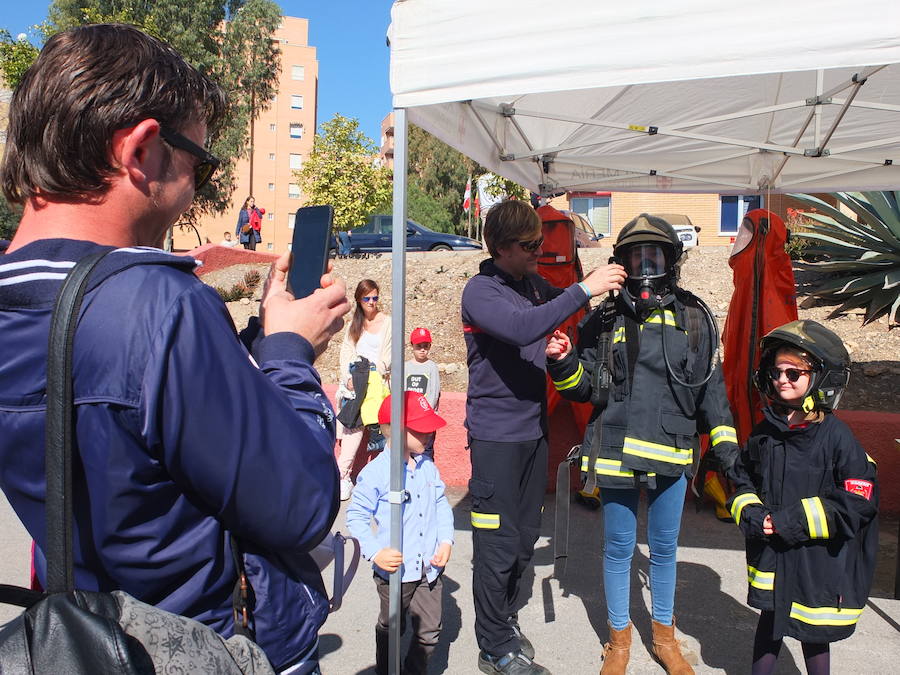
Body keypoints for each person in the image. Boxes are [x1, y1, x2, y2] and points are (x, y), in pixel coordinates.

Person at [0, 24, 350, 674]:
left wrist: (250, 344)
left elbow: (121, 427)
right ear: (141, 150)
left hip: (86, 641)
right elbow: (303, 503)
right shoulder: (155, 307)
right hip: (209, 646)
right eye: (201, 163)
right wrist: (291, 354)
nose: (199, 186)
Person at [546, 214, 740, 675]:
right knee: (617, 548)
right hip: (615, 454)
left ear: (673, 262)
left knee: (665, 549)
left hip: (672, 454)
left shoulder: (695, 317)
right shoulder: (605, 317)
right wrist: (564, 360)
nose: (646, 265)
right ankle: (618, 642)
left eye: (655, 255)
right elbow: (586, 388)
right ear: (622, 264)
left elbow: (712, 395)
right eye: (637, 256)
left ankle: (665, 638)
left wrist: (729, 455)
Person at [461, 198, 626, 675]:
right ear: (501, 247)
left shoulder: (531, 284)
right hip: (495, 439)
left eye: (539, 242)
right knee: (496, 545)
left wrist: (560, 344)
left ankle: (504, 625)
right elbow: (520, 327)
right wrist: (584, 287)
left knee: (522, 539)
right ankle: (492, 647)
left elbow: (547, 320)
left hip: (531, 432)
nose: (539, 250)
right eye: (529, 244)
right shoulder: (481, 290)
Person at [726, 320, 878, 675]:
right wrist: (752, 514)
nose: (783, 380)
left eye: (794, 372)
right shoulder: (765, 434)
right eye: (777, 371)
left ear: (821, 378)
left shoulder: (836, 437)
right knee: (770, 620)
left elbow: (857, 501)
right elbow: (742, 479)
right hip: (774, 556)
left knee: (814, 633)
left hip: (816, 558)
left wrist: (788, 521)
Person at [345, 391, 454, 675]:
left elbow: (441, 503)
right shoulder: (377, 472)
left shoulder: (428, 467)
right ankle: (387, 669)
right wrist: (376, 551)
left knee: (429, 632)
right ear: (395, 429)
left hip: (429, 570)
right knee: (393, 629)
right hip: (396, 573)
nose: (429, 433)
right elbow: (356, 516)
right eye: (421, 428)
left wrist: (446, 539)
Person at [336, 279, 392, 500]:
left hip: (378, 383)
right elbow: (345, 354)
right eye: (367, 298)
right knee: (353, 428)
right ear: (359, 300)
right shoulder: (354, 325)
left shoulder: (388, 322)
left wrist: (371, 372)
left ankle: (384, 480)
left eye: (375, 298)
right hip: (357, 382)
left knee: (384, 433)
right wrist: (348, 377)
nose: (371, 302)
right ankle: (342, 476)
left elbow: (388, 356)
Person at [404, 326, 441, 458]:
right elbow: (403, 390)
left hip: (427, 417)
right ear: (412, 345)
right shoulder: (406, 367)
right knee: (409, 448)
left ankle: (427, 474)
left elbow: (434, 392)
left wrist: (425, 413)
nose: (422, 349)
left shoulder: (431, 366)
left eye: (426, 346)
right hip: (409, 417)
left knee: (426, 450)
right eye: (419, 346)